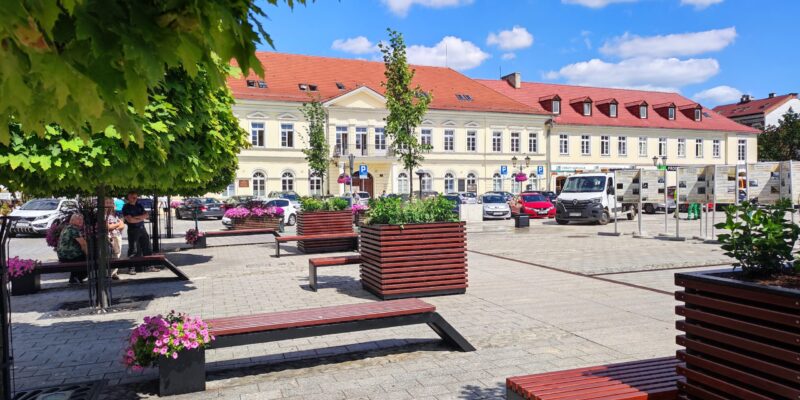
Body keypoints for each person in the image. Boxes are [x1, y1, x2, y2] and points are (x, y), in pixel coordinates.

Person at [122, 191, 151, 274]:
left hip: (142, 228)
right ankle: (131, 268)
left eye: (136, 197)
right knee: (133, 249)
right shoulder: (126, 207)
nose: (135, 199)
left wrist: (136, 218)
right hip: (133, 230)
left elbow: (147, 215)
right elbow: (130, 220)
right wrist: (141, 218)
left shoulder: (139, 205)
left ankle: (149, 266)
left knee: (147, 247)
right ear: (129, 197)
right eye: (133, 197)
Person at [57, 213, 88, 284]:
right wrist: (88, 254)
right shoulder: (73, 229)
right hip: (68, 256)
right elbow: (83, 244)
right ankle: (77, 277)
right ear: (72, 220)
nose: (81, 221)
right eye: (78, 219)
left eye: (82, 219)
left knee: (81, 256)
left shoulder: (67, 227)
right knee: (90, 260)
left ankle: (74, 278)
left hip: (63, 256)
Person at [106, 198, 125, 279]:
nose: (110, 204)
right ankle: (108, 274)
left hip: (117, 236)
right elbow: (107, 227)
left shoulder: (116, 213)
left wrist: (115, 226)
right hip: (108, 237)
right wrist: (117, 225)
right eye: (108, 202)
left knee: (117, 254)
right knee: (108, 255)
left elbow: (122, 225)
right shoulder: (103, 214)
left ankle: (113, 273)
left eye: (111, 202)